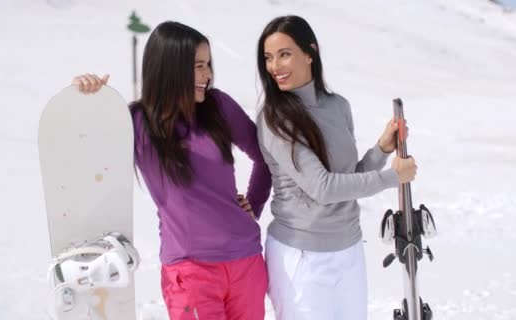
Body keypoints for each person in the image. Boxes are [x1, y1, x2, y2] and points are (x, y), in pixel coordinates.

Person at [73, 21, 271, 320]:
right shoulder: (137, 122)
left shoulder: (218, 106)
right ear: (170, 68)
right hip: (190, 272)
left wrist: (254, 203)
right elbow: (92, 160)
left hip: (246, 262)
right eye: (198, 66)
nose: (207, 75)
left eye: (208, 65)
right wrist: (89, 103)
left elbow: (266, 158)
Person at [255, 15, 417, 319]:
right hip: (301, 257)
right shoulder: (276, 118)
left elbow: (348, 180)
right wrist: (392, 177)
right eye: (268, 58)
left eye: (284, 54)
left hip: (349, 250)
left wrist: (381, 149)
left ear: (309, 53)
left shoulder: (338, 106)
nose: (275, 66)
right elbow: (323, 188)